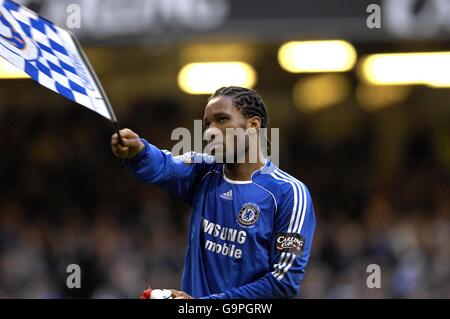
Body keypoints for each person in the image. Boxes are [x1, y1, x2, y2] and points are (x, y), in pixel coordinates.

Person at [111, 86, 316, 299]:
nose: (210, 131)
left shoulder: (289, 193)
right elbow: (164, 165)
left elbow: (283, 282)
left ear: (253, 125)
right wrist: (139, 152)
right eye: (207, 124)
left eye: (222, 120)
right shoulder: (203, 171)